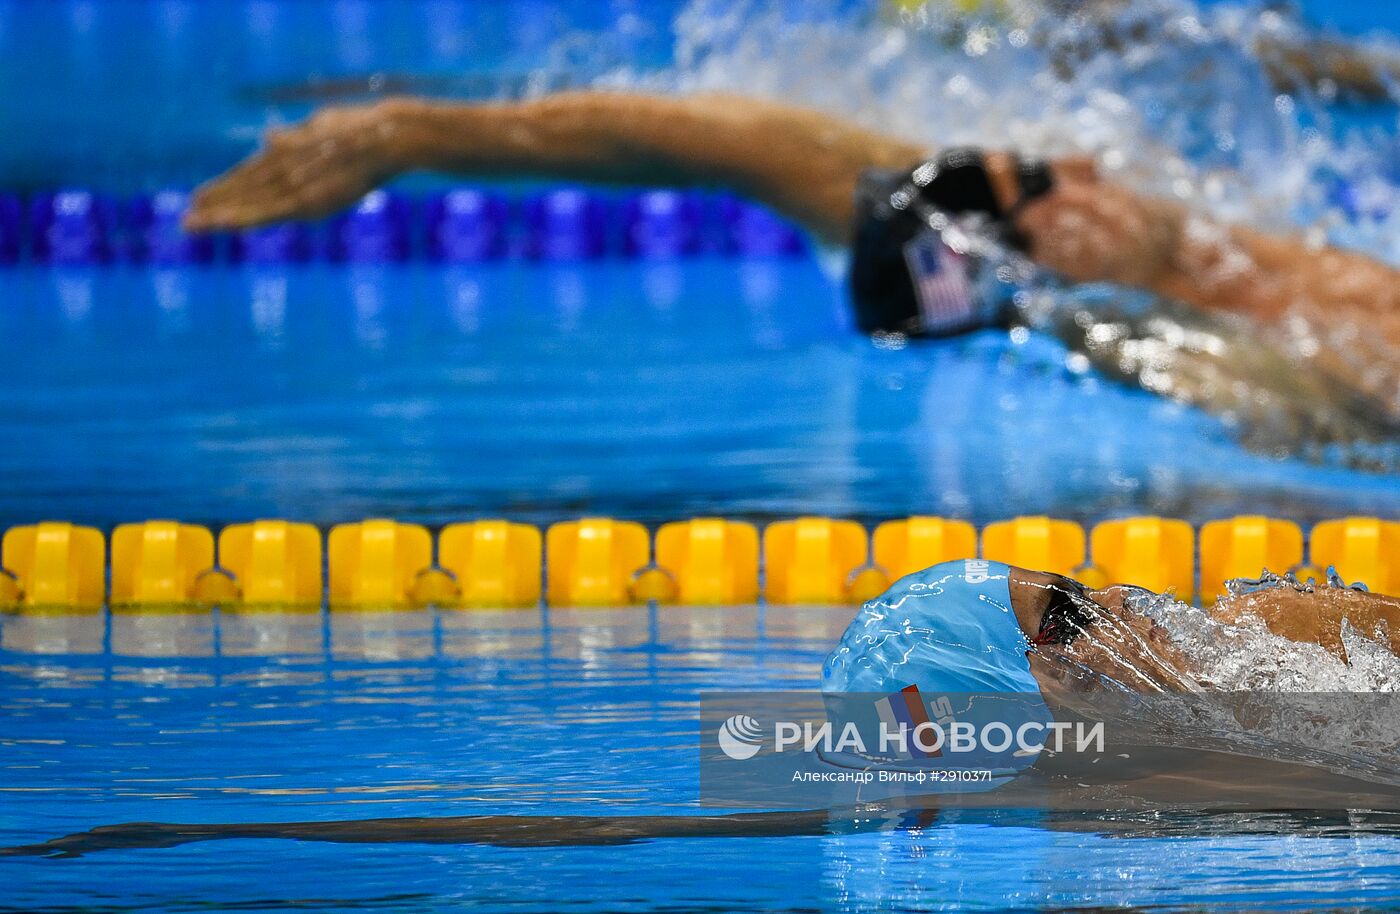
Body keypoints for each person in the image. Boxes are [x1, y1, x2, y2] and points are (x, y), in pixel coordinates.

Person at [181, 91, 1400, 459]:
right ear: (1022, 259)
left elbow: (746, 140)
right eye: (1043, 183)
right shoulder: (1182, 340)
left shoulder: (1187, 232)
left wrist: (415, 130)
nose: (1080, 163)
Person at [10, 560, 1400, 858]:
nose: (1133, 603)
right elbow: (584, 829)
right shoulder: (1133, 788)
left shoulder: (1282, 641)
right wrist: (183, 832)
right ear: (1043, 694)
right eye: (1072, 615)